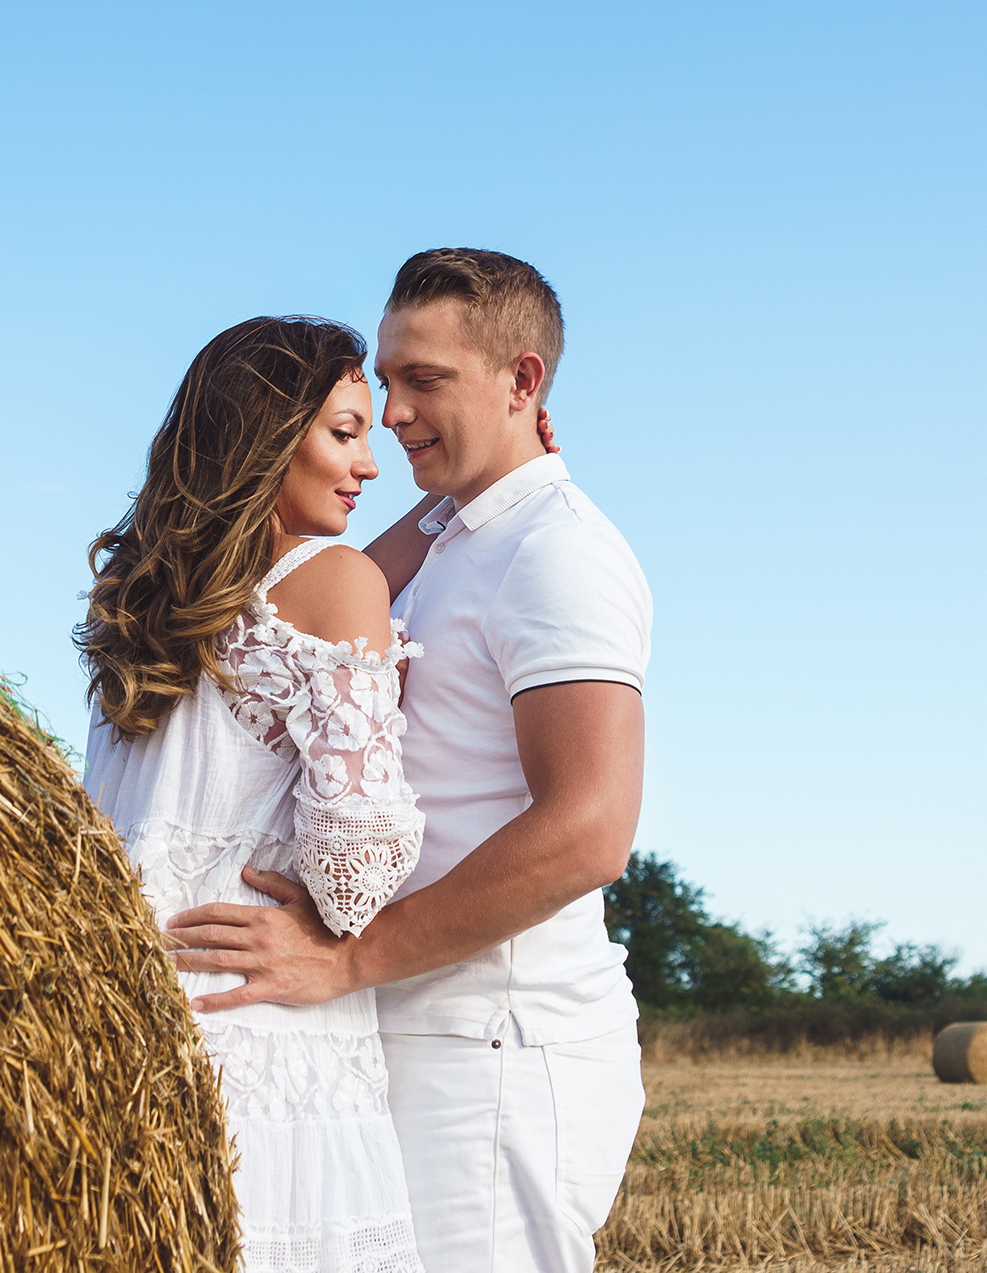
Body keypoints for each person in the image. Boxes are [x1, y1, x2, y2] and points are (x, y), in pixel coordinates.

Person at [169, 250, 651, 1273]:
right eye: (383, 381)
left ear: (521, 381)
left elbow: (590, 828)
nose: (390, 412)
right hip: (411, 1024)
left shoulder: (557, 552)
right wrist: (471, 481)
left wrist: (347, 958)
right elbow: (291, 585)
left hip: (497, 1048)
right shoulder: (455, 537)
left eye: (424, 380)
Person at [78, 315, 428, 1273]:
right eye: (345, 432)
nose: (369, 463)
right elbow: (353, 876)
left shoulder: (145, 602)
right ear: (269, 438)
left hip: (123, 1011)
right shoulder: (339, 581)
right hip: (256, 1015)